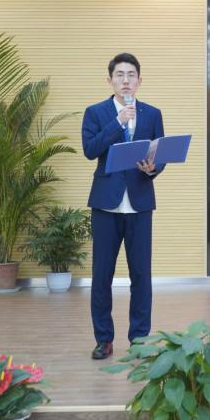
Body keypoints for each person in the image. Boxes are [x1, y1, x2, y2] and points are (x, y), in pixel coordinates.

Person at [82, 53, 165, 360]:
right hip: (106, 204)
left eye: (131, 74)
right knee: (102, 275)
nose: (126, 80)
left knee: (141, 275)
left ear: (139, 81)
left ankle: (140, 339)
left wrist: (153, 168)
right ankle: (103, 339)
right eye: (120, 74)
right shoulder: (96, 112)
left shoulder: (152, 114)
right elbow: (90, 149)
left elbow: (160, 153)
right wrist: (118, 123)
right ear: (110, 80)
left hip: (140, 203)